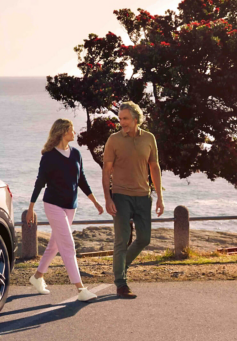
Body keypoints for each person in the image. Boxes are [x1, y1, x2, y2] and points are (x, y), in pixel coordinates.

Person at [27, 119, 104, 301]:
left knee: (54, 245)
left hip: (71, 206)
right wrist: (30, 207)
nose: (74, 133)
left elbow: (81, 180)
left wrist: (95, 202)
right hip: (53, 204)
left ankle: (37, 277)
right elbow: (40, 182)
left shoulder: (76, 154)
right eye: (72, 130)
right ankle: (80, 289)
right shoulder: (49, 156)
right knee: (68, 245)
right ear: (63, 132)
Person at [103, 101, 164, 299]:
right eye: (120, 119)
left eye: (125, 119)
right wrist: (108, 198)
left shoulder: (149, 138)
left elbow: (154, 167)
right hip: (120, 196)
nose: (122, 122)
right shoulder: (114, 140)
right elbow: (107, 171)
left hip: (143, 196)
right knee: (121, 239)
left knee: (144, 238)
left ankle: (122, 264)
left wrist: (159, 198)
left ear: (136, 119)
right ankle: (121, 283)